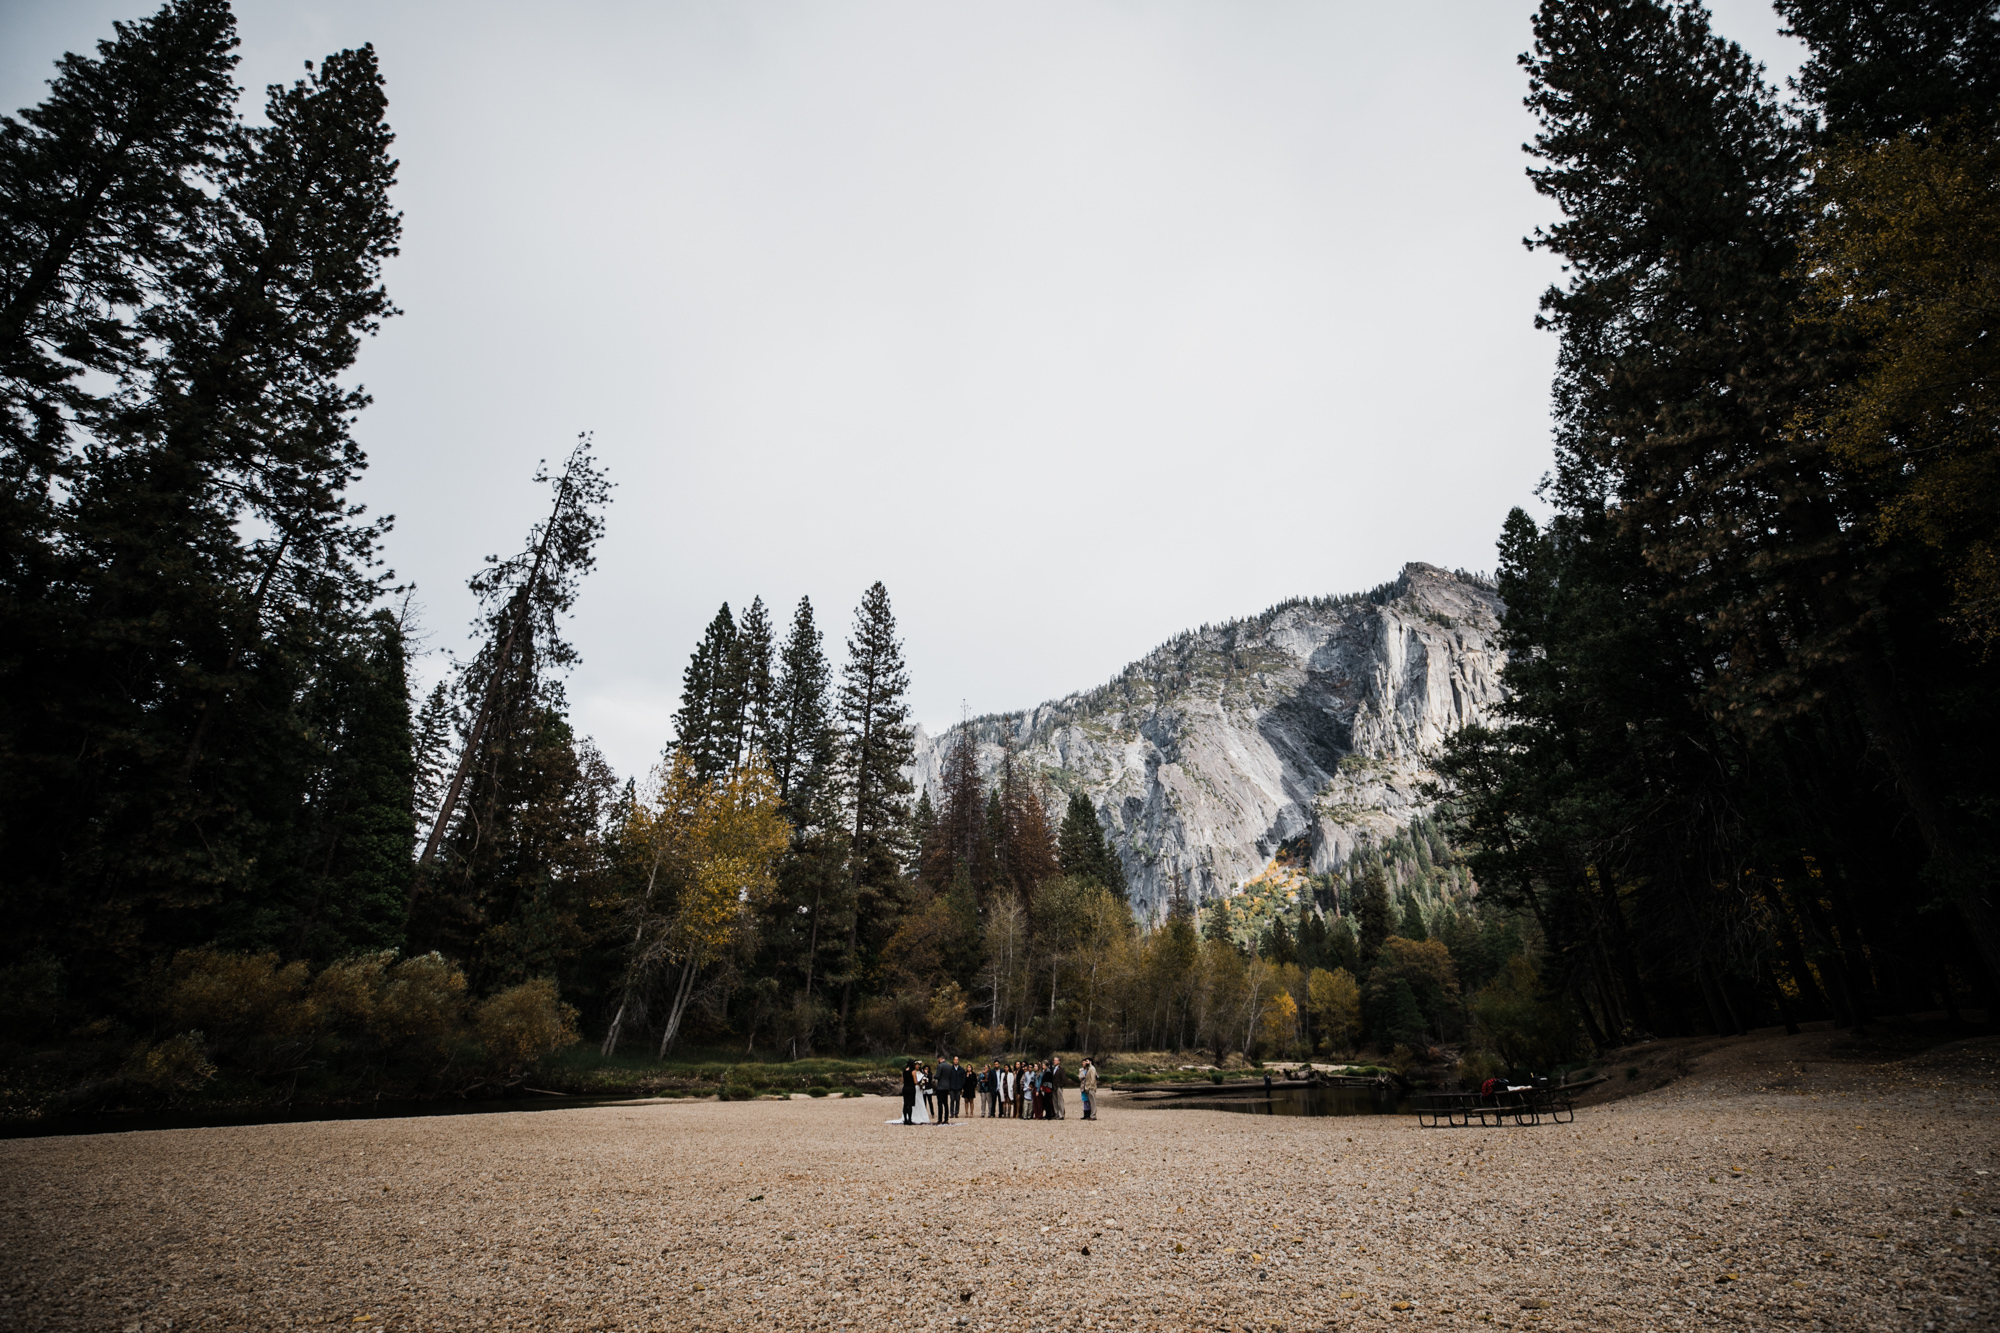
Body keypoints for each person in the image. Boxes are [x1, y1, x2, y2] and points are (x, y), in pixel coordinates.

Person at [901, 1061, 917, 1125]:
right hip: (911, 1088)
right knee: (910, 1104)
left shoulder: (904, 1071)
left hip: (905, 1088)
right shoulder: (913, 1071)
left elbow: (902, 1080)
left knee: (905, 1103)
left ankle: (905, 1119)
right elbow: (915, 1081)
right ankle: (909, 1119)